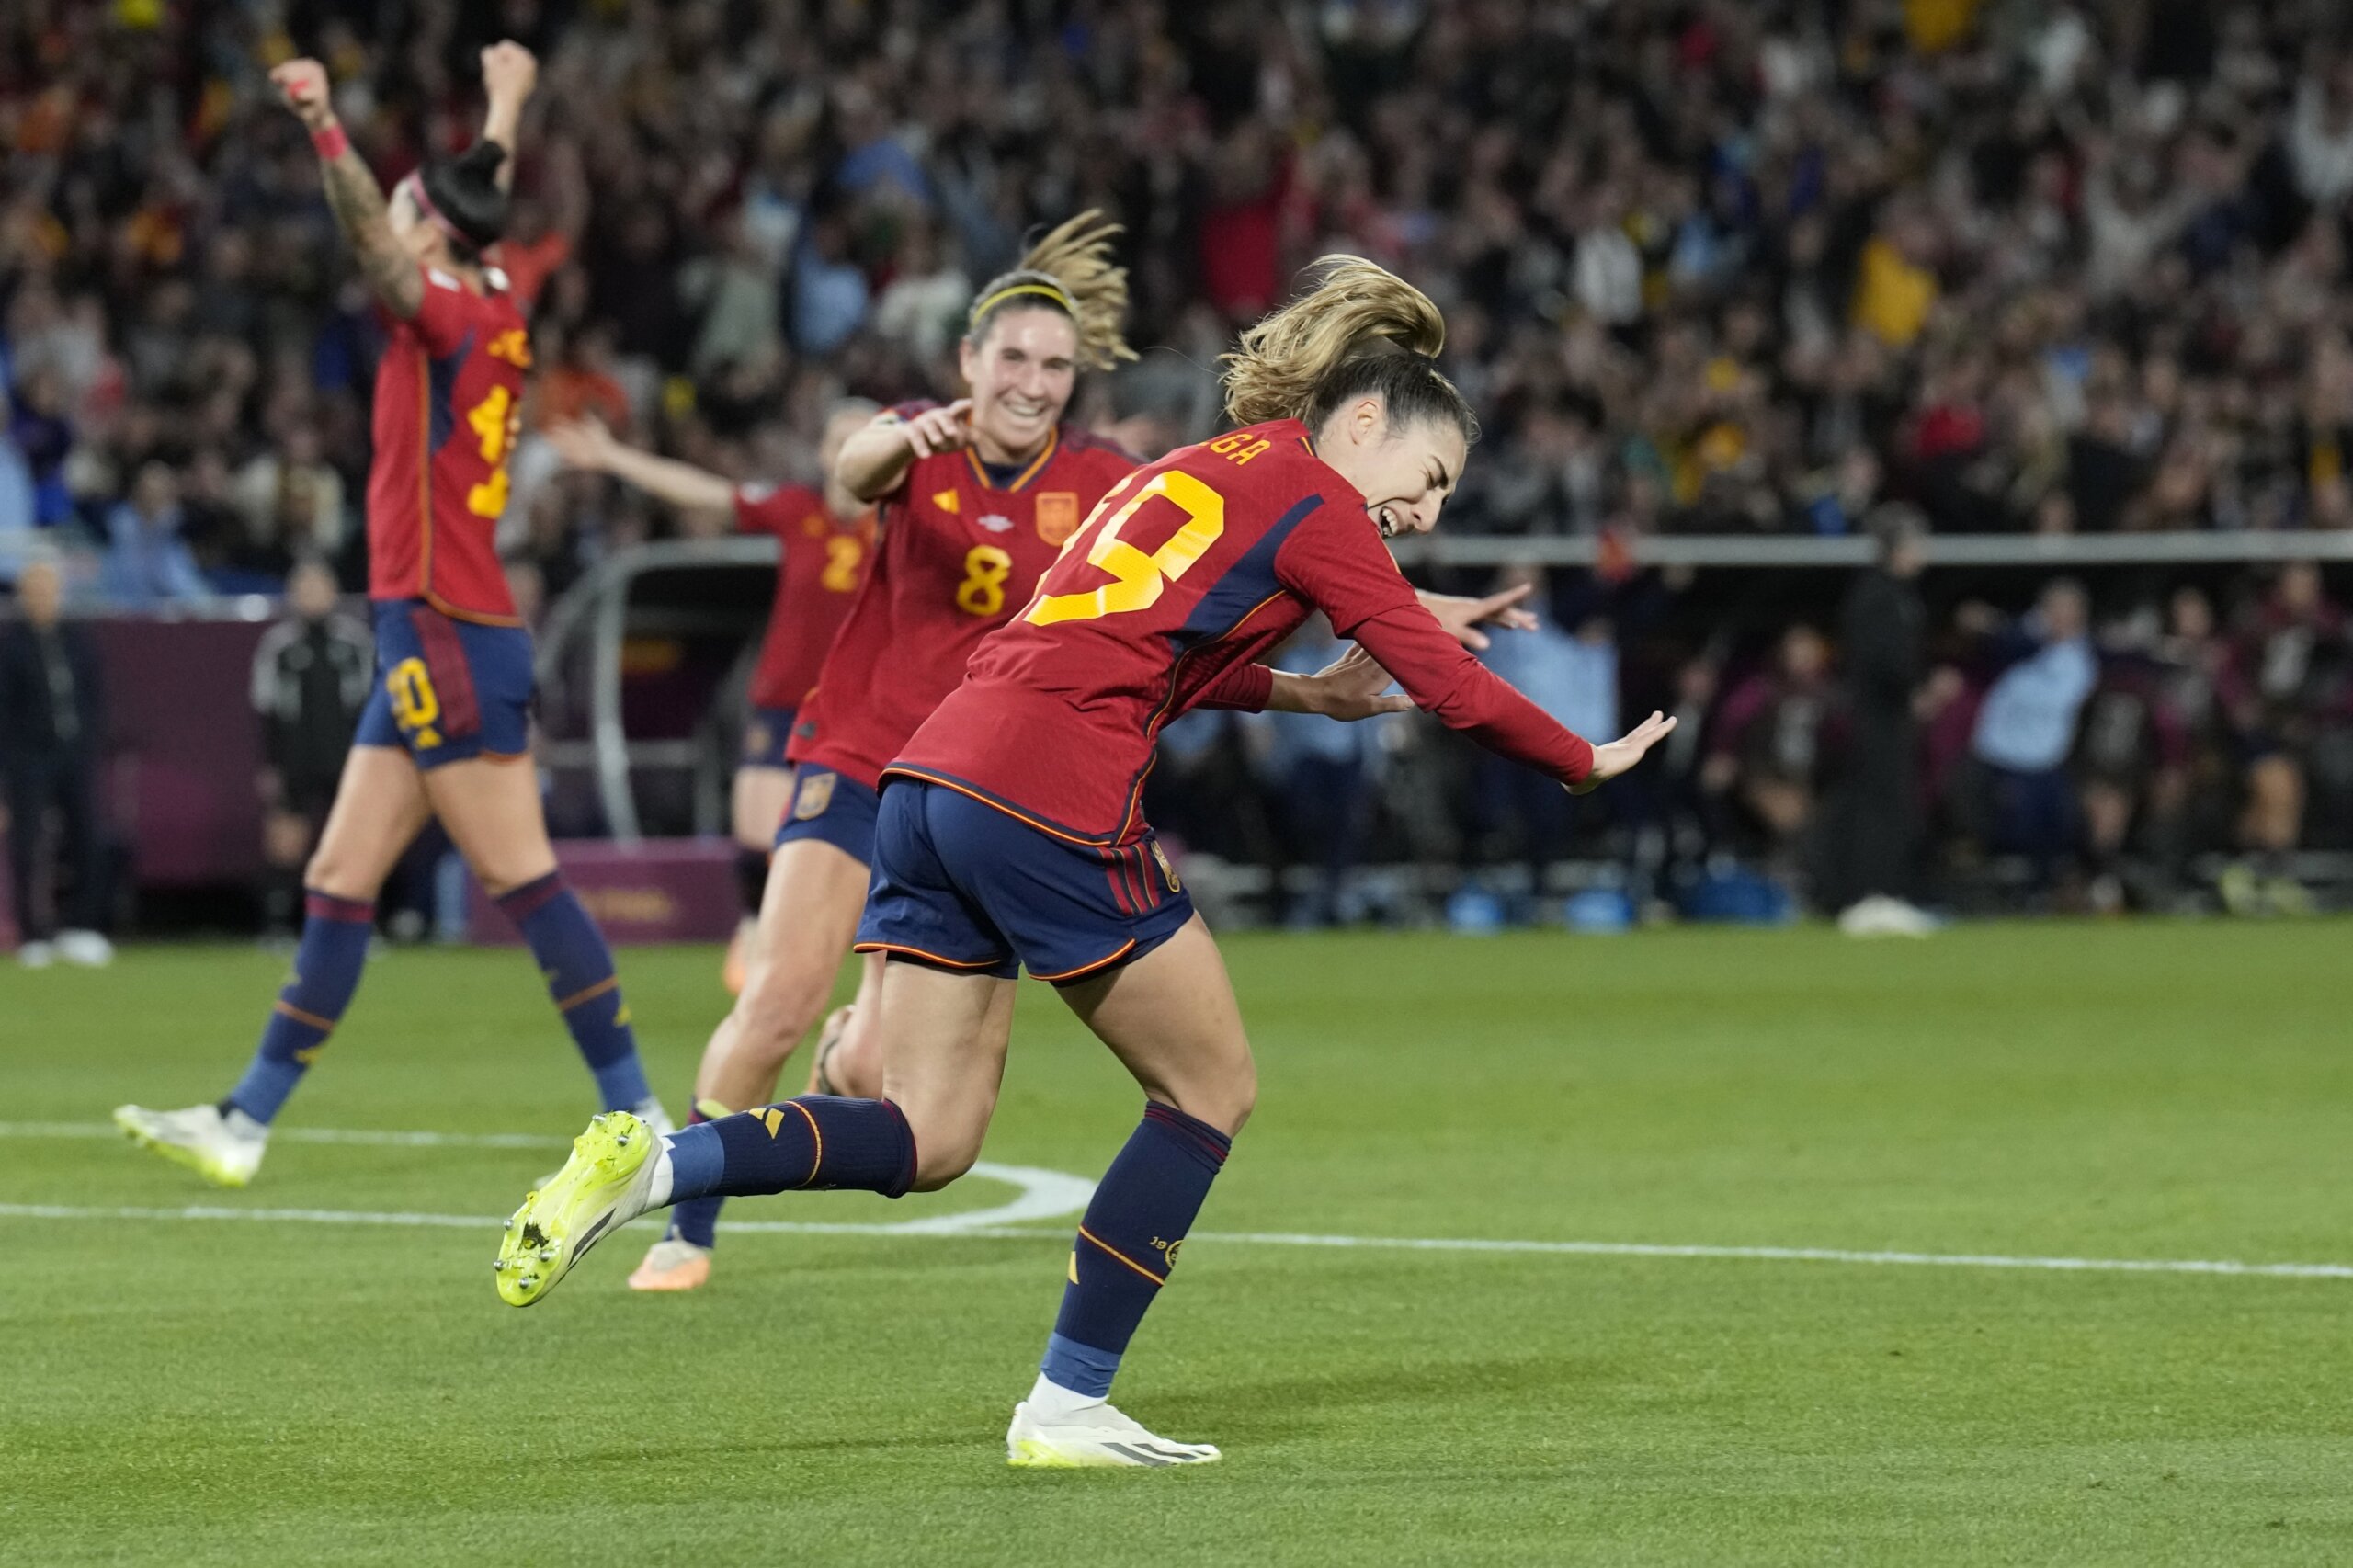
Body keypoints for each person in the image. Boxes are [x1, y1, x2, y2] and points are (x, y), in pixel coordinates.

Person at [492, 257, 1675, 1468]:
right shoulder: (1311, 494)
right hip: (1046, 791)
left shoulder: (1194, 471)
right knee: (1209, 1089)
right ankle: (1067, 1402)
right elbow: (1438, 678)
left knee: (931, 1130)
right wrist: (1579, 758)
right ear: (1362, 422)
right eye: (1428, 481)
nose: (1425, 510)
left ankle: (659, 1164)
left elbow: (1144, 643)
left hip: (933, 774)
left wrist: (1312, 695)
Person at [114, 44, 672, 1187]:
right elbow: (470, 187)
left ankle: (644, 1123)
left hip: (446, 630)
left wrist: (325, 125)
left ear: (427, 235)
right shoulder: (499, 292)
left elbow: (374, 237)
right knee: (337, 876)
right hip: (427, 626)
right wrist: (510, 94)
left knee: (524, 877)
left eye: (412, 204)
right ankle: (247, 1119)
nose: (403, 210)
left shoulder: (448, 319)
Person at [616, 214, 1148, 1293]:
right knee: (777, 998)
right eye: (1012, 357)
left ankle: (841, 1062)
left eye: (1055, 364)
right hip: (859, 759)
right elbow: (852, 468)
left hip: (971, 794)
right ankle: (686, 1226)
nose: (1033, 382)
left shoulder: (1098, 480)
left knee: (876, 1070)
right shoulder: (918, 441)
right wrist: (899, 442)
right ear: (967, 362)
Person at [544, 400, 880, 992]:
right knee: (755, 831)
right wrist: (614, 456)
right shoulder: (795, 509)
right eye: (843, 440)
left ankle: (854, 951)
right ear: (825, 454)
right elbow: (706, 493)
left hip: (865, 713)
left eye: (869, 439)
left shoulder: (905, 525)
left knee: (863, 842)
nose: (854, 452)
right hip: (784, 701)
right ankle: (754, 930)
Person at [1827, 506, 1939, 936]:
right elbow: (1882, 659)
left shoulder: (1892, 594)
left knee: (1892, 804)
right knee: (1879, 806)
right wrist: (1915, 689)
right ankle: (1869, 897)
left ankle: (1885, 894)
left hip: (1886, 715)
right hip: (1877, 716)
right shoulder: (1878, 595)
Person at [249, 558, 372, 938]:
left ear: (333, 593)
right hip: (295, 759)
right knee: (286, 843)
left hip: (345, 759)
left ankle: (354, 927)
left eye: (319, 587)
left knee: (353, 843)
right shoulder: (279, 646)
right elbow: (266, 709)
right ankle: (279, 927)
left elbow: (368, 705)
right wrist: (270, 764)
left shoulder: (354, 643)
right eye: (304, 588)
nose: (312, 596)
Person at [0, 553, 112, 967]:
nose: (43, 596)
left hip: (75, 753)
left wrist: (90, 740)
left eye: (49, 588)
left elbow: (94, 695)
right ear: (23, 595)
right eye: (35, 589)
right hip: (28, 759)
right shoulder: (11, 646)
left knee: (86, 837)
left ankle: (80, 927)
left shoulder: (77, 638)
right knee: (27, 844)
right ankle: (33, 934)